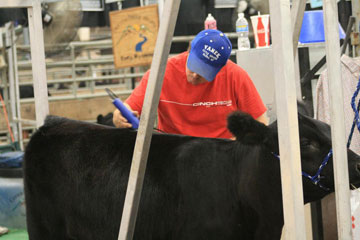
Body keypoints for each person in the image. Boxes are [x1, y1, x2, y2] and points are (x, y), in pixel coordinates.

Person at [113, 29, 267, 139]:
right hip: (175, 152)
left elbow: (261, 123)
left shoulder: (235, 76)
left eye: (203, 73)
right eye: (193, 66)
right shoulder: (161, 73)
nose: (194, 75)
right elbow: (128, 108)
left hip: (221, 154)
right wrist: (120, 117)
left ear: (221, 68)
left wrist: (238, 144)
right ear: (188, 51)